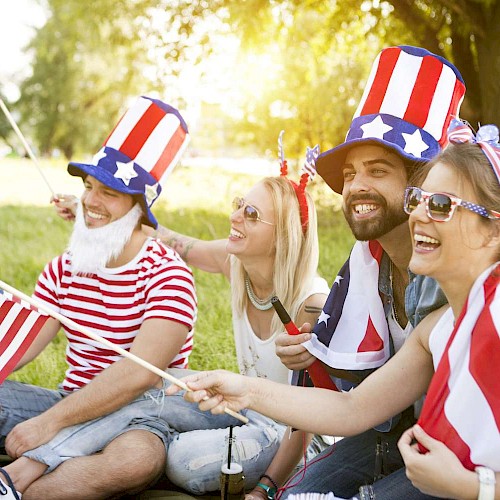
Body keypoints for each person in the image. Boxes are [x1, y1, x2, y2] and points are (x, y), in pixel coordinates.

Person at [167, 119, 500, 500]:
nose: (420, 215)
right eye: (418, 200)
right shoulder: (437, 326)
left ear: (494, 229)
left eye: (441, 205)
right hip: (417, 448)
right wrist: (243, 389)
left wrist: (477, 489)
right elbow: (354, 407)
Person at [52, 137, 330, 495]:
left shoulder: (312, 305)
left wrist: (264, 489)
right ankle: (59, 450)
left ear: (284, 238)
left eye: (251, 214)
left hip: (295, 438)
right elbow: (173, 240)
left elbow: (306, 423)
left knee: (184, 460)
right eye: (239, 204)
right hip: (245, 407)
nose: (234, 217)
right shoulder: (237, 266)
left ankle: (130, 450)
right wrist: (96, 212)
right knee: (157, 380)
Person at [269, 45, 466, 498]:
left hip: (463, 448)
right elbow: (357, 383)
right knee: (296, 495)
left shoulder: (456, 275)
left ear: (420, 181)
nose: (356, 185)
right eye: (352, 172)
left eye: (378, 170)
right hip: (395, 429)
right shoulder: (367, 264)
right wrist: (314, 349)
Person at [0, 96, 197, 500]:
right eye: (89, 187)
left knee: (137, 461)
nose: (90, 201)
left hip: (141, 416)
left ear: (138, 207)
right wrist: (53, 417)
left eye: (109, 192)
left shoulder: (169, 274)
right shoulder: (65, 267)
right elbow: (24, 343)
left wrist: (49, 424)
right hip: (69, 400)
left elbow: (138, 376)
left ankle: (17, 491)